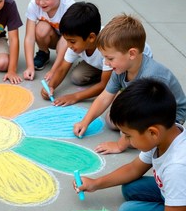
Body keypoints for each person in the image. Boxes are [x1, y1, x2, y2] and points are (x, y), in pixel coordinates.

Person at [74, 78, 186, 211]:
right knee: (131, 187)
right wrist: (96, 183)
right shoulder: (166, 136)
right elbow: (134, 169)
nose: (125, 140)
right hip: (177, 192)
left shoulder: (177, 166)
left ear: (152, 132)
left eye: (128, 135)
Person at [73, 14, 186, 154]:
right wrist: (85, 121)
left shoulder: (151, 77)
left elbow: (145, 116)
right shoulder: (121, 68)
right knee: (112, 120)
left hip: (170, 116)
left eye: (110, 58)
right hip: (143, 107)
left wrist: (120, 145)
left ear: (131, 54)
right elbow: (105, 96)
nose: (106, 63)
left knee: (128, 134)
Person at [40, 2, 111, 106]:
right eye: (67, 40)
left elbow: (104, 85)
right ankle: (105, 72)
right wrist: (51, 86)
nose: (68, 45)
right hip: (101, 63)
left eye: (72, 41)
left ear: (91, 38)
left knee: (113, 84)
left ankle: (109, 74)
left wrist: (75, 96)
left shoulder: (108, 47)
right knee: (77, 77)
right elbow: (63, 68)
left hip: (118, 65)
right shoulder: (78, 40)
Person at [23, 0, 74, 81]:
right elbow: (29, 37)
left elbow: (68, 39)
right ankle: (43, 53)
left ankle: (58, 63)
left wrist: (54, 70)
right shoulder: (33, 6)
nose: (41, 3)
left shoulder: (69, 7)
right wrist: (29, 66)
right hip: (53, 37)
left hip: (68, 40)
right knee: (41, 27)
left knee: (65, 39)